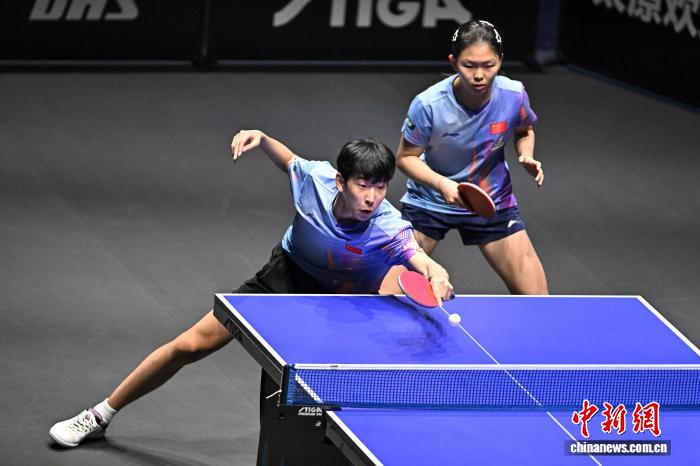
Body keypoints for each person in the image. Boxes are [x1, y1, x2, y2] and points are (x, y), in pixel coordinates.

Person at [49, 130, 455, 448]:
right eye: (362, 185)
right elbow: (289, 160)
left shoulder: (388, 226)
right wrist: (261, 138)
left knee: (330, 392)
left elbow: (420, 259)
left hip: (342, 305)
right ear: (340, 181)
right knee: (189, 345)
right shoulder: (316, 180)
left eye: (380, 187)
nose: (371, 198)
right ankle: (99, 415)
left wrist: (437, 275)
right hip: (285, 277)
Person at [381, 20, 548, 295]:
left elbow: (524, 129)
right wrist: (442, 184)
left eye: (488, 65)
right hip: (430, 201)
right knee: (388, 294)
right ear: (453, 62)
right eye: (469, 66)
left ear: (500, 60)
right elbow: (406, 157)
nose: (479, 75)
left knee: (539, 299)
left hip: (492, 200)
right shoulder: (428, 104)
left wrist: (526, 154)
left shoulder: (514, 95)